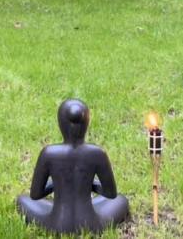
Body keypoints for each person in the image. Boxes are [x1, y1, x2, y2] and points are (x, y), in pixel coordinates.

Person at [16, 99, 130, 234]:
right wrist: (87, 183)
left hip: (56, 224)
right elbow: (110, 194)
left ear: (61, 123)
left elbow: (35, 195)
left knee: (22, 199)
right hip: (92, 224)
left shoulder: (49, 153)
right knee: (121, 199)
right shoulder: (97, 153)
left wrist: (58, 183)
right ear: (86, 122)